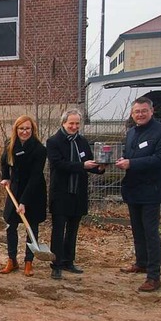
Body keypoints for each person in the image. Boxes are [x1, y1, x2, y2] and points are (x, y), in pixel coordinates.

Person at [116, 96, 161, 292]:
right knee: (137, 230)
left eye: (143, 111)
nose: (140, 115)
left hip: (151, 190)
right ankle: (141, 262)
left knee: (150, 233)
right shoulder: (131, 132)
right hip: (133, 189)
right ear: (132, 114)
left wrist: (131, 164)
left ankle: (154, 276)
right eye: (136, 112)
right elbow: (128, 155)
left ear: (151, 111)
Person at [46, 108, 104, 280]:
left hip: (78, 193)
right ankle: (56, 264)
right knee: (58, 230)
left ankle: (68, 261)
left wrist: (100, 168)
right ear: (63, 123)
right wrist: (82, 166)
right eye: (71, 123)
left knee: (73, 230)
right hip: (61, 193)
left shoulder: (83, 142)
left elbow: (90, 163)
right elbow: (58, 164)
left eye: (77, 123)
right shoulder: (53, 141)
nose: (74, 126)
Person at [0, 115, 47, 277]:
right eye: (21, 128)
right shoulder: (10, 145)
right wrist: (5, 177)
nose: (24, 131)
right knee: (10, 224)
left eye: (27, 128)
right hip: (15, 189)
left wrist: (24, 202)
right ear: (16, 130)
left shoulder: (39, 149)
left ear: (32, 129)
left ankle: (29, 261)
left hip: (33, 192)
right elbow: (4, 161)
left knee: (31, 226)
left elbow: (35, 177)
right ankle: (12, 260)